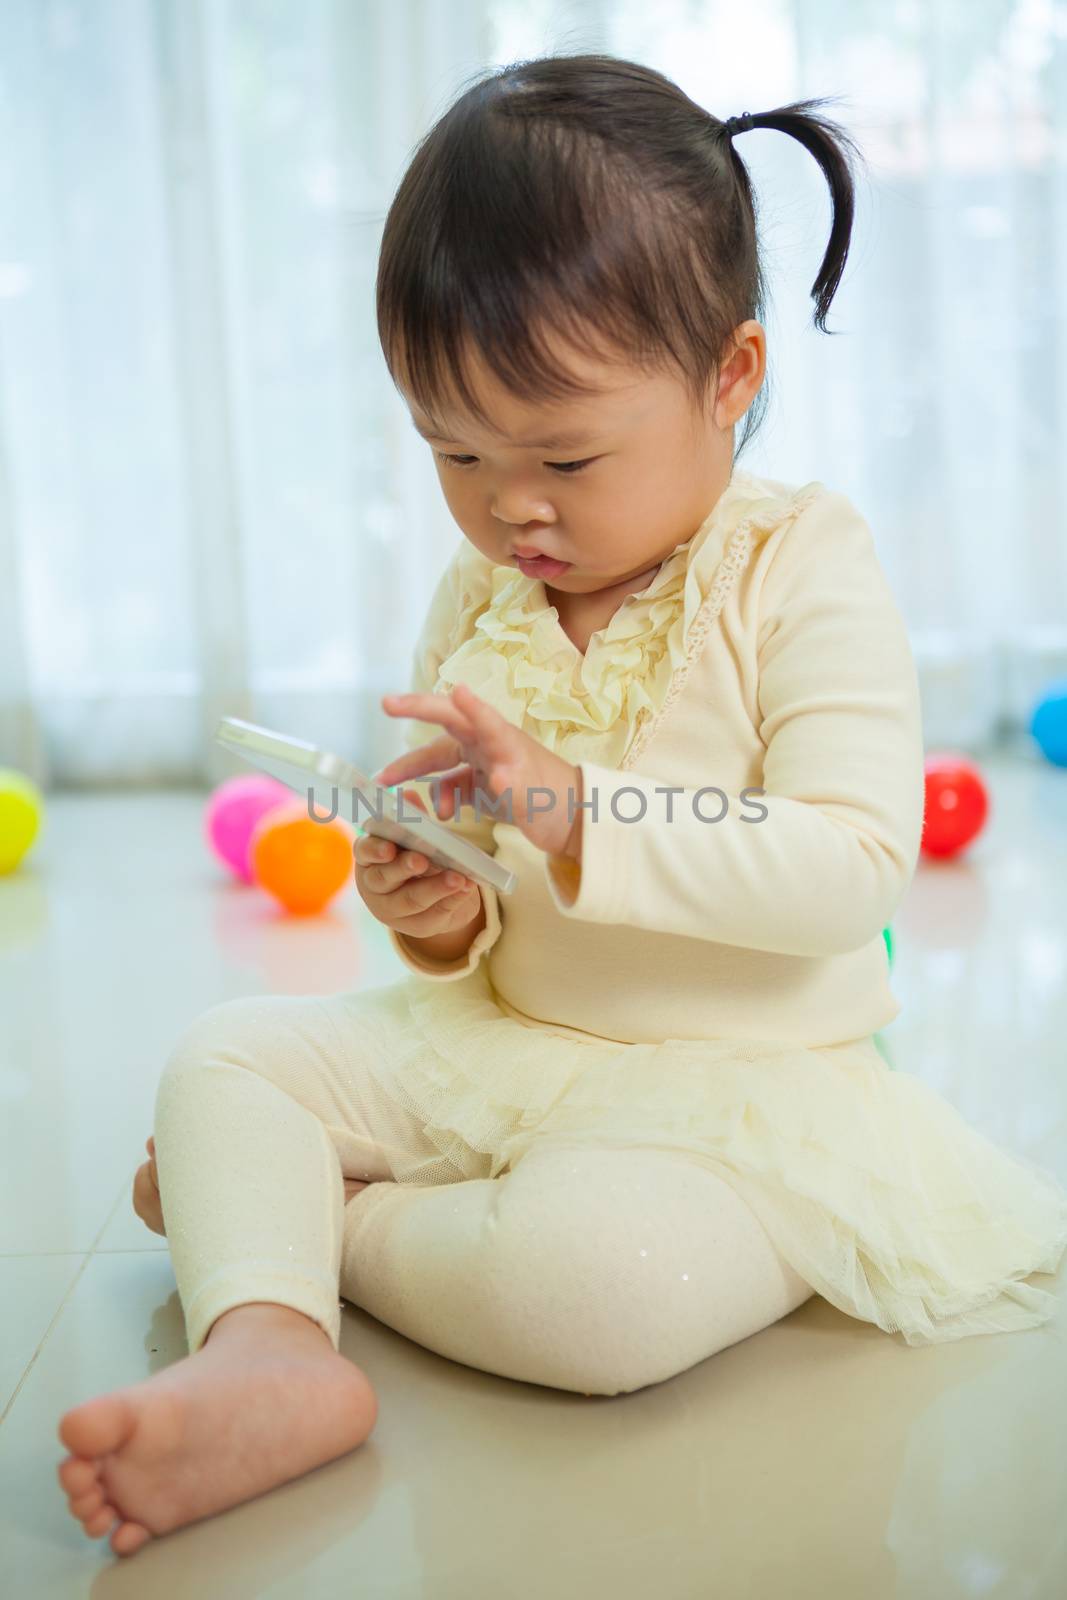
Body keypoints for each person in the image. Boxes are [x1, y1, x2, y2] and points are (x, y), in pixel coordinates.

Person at [57, 54, 1067, 1559]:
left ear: (730, 380)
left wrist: (582, 810)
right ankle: (271, 1347)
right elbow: (471, 917)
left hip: (744, 1093)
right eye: (454, 453)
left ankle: (314, 1232)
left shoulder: (801, 568)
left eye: (564, 456)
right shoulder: (486, 600)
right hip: (508, 1054)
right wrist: (438, 904)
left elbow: (851, 867)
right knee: (227, 1058)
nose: (507, 507)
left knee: (601, 1294)